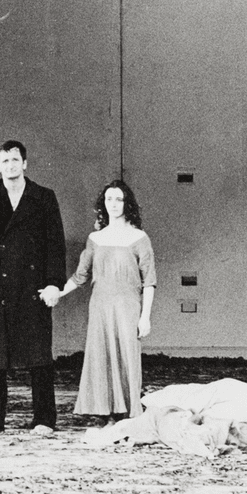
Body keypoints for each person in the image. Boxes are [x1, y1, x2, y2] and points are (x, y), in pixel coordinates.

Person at [0, 140, 68, 435]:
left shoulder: (43, 198)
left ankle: (44, 419)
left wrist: (53, 284)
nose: (10, 165)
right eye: (5, 161)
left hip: (32, 287)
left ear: (25, 164)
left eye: (15, 159)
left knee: (39, 355)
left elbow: (55, 245)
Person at [54, 179, 156, 421]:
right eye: (109, 198)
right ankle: (105, 412)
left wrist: (145, 317)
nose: (113, 204)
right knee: (102, 356)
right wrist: (58, 293)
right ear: (103, 204)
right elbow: (80, 276)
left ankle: (129, 413)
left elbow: (149, 281)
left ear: (127, 203)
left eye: (119, 199)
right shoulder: (95, 239)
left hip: (128, 307)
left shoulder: (140, 238)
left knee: (127, 356)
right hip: (100, 307)